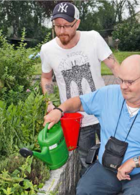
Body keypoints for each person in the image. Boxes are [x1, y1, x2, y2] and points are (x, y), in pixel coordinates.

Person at [43, 55, 140, 195]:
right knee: (85, 192)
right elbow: (78, 102)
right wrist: (59, 110)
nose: (123, 86)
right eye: (121, 80)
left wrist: (134, 161)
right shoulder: (109, 94)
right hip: (108, 167)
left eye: (129, 82)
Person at [40, 2, 119, 169]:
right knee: (85, 161)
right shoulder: (47, 49)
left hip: (105, 111)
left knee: (116, 156)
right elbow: (46, 78)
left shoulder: (93, 38)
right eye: (57, 26)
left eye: (67, 26)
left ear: (77, 23)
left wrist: (131, 87)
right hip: (77, 118)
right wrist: (49, 102)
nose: (62, 31)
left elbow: (114, 66)